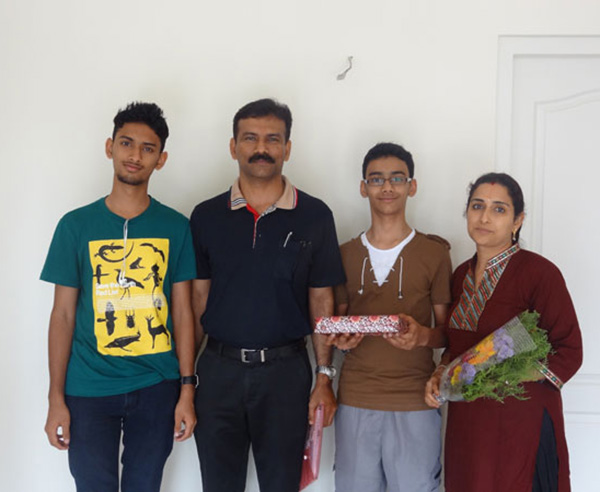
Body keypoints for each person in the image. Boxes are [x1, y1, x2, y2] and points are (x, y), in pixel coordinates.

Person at [190, 98, 346, 492]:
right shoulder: (206, 217)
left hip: (286, 374)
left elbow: (321, 301)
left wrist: (324, 376)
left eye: (273, 139)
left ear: (287, 148)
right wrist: (185, 382)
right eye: (250, 138)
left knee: (281, 485)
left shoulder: (315, 215)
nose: (261, 148)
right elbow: (196, 305)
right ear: (233, 146)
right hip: (217, 373)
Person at [41, 102, 197, 492]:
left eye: (148, 148)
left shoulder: (175, 228)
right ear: (109, 146)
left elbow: (183, 311)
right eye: (127, 143)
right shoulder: (75, 226)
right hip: (89, 387)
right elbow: (61, 315)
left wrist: (186, 389)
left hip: (157, 385)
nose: (135, 155)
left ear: (161, 160)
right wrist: (55, 398)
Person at [425, 172, 583, 492]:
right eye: (477, 206)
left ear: (517, 220)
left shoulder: (540, 273)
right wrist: (441, 373)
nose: (484, 217)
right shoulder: (460, 276)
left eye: (499, 209)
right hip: (468, 421)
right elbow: (457, 345)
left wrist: (505, 374)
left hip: (518, 418)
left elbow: (569, 350)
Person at [329, 142, 452, 492]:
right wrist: (342, 339)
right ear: (363, 187)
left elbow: (448, 334)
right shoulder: (344, 254)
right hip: (355, 398)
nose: (386, 187)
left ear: (412, 186)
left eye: (397, 178)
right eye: (376, 179)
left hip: (416, 399)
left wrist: (421, 337)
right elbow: (336, 325)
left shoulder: (434, 254)